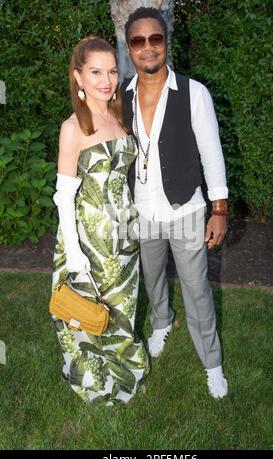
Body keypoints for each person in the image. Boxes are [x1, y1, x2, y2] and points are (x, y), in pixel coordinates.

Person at [121, 7, 229, 399]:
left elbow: (211, 154)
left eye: (156, 39)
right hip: (142, 210)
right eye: (138, 41)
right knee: (152, 279)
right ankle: (162, 323)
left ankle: (212, 364)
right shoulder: (121, 96)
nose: (148, 48)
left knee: (197, 289)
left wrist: (219, 209)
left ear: (166, 43)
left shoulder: (194, 93)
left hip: (186, 209)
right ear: (129, 48)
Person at [51, 36, 149, 405]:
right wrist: (74, 256)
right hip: (88, 237)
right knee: (87, 311)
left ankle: (123, 367)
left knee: (121, 307)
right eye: (95, 72)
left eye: (111, 71)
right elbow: (63, 197)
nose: (106, 80)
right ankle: (93, 376)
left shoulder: (119, 116)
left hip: (125, 234)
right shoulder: (73, 127)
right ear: (78, 76)